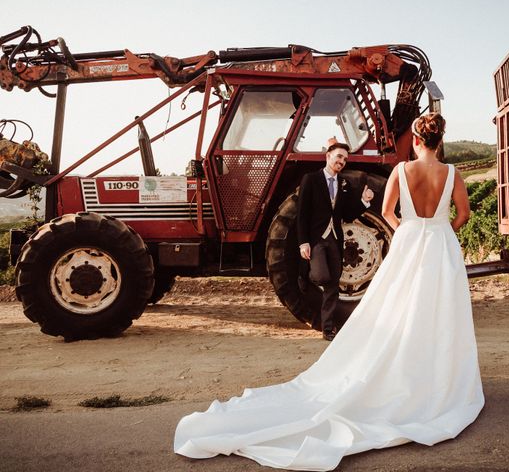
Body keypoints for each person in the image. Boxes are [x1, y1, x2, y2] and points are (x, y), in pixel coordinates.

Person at [174, 113, 484, 471]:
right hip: (440, 244)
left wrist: (410, 229)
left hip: (411, 241)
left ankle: (403, 374)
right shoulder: (453, 175)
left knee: (401, 309)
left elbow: (387, 212)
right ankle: (436, 379)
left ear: (415, 140)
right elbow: (463, 214)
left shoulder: (401, 172)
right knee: (440, 311)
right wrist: (440, 229)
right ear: (439, 141)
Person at [297, 138, 375, 341]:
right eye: (339, 156)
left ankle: (328, 329)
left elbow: (347, 215)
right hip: (316, 239)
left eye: (345, 159)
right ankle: (304, 274)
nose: (342, 161)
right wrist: (303, 242)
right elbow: (302, 213)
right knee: (322, 276)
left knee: (332, 285)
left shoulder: (343, 183)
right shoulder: (311, 179)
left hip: (334, 239)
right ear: (328, 156)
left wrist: (364, 202)